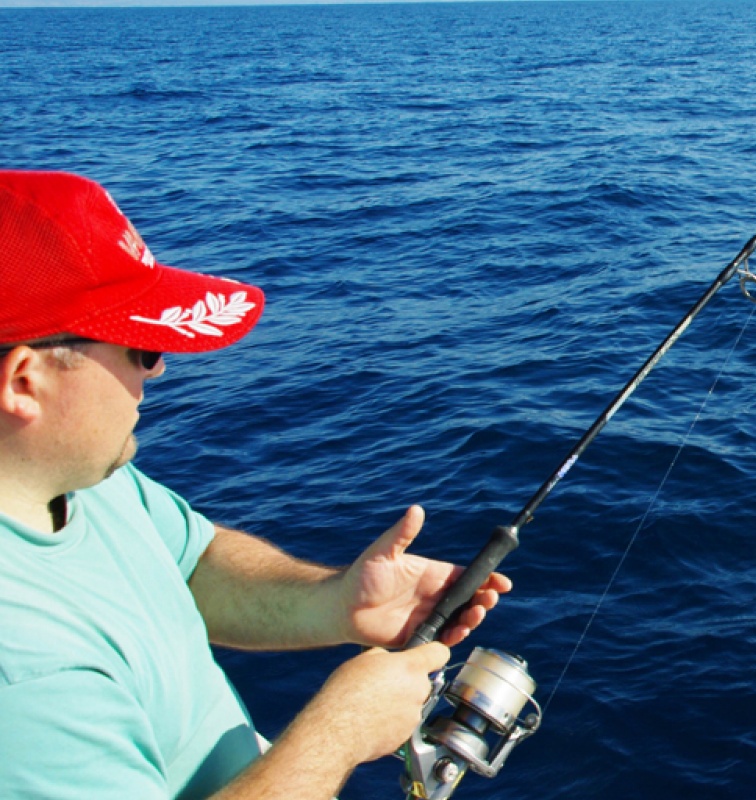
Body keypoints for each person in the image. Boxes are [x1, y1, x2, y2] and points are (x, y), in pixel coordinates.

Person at [0, 169, 513, 799]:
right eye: (141, 348)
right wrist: (338, 734)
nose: (156, 375)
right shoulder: (21, 673)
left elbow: (189, 564)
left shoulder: (73, 476)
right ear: (25, 382)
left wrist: (335, 603)